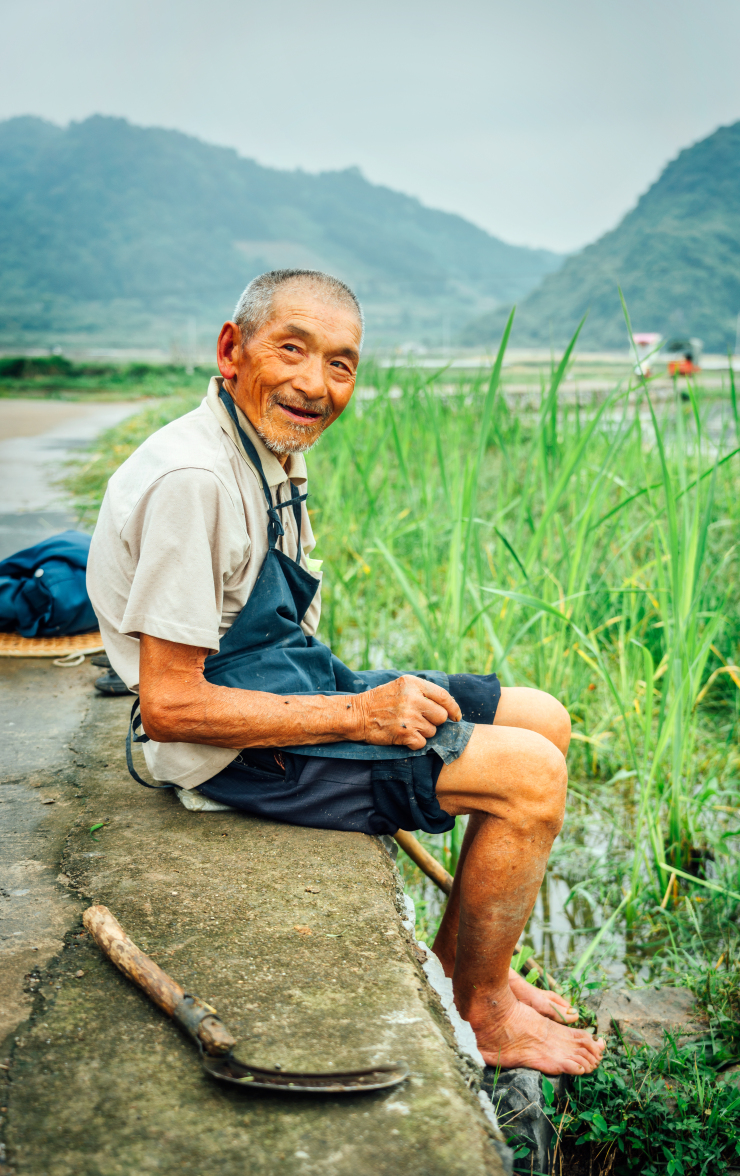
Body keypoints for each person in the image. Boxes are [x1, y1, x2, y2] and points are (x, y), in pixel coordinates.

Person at [87, 269, 605, 1076]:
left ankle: (463, 978)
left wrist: (354, 700)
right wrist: (362, 717)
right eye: (291, 350)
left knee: (542, 717)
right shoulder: (195, 482)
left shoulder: (264, 448)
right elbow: (171, 707)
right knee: (529, 777)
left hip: (286, 683)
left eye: (340, 363)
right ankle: (486, 1014)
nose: (315, 384)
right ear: (232, 350)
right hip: (232, 750)